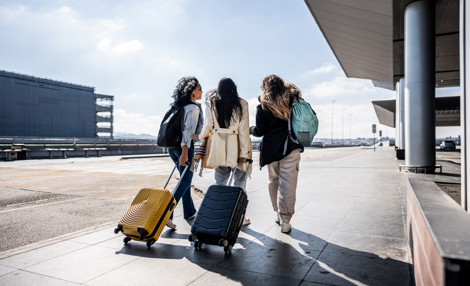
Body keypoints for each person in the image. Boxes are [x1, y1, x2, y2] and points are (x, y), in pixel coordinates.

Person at [193, 77, 251, 225]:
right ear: (234, 89)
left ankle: (218, 215)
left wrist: (199, 136)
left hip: (218, 146)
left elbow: (208, 126)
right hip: (236, 146)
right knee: (239, 183)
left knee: (220, 182)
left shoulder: (211, 102)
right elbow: (244, 130)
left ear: (219, 89)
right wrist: (244, 153)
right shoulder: (242, 104)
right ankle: (238, 218)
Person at [249, 75, 303, 233]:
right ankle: (285, 220)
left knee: (274, 181)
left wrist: (250, 129)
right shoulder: (292, 100)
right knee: (288, 184)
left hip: (272, 151)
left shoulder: (263, 106)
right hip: (291, 147)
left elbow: (259, 132)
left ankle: (277, 214)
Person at [166, 76, 203, 229]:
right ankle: (166, 213)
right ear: (191, 92)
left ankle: (189, 211)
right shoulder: (193, 108)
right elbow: (188, 132)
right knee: (186, 181)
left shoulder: (178, 106)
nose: (201, 91)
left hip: (172, 148)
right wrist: (185, 152)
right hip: (184, 149)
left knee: (183, 179)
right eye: (199, 88)